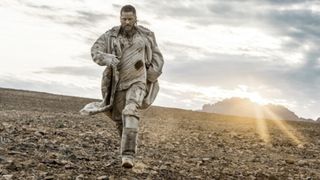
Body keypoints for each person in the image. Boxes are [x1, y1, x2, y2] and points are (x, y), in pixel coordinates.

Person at [90, 4, 164, 168]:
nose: (127, 22)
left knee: (130, 110)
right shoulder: (110, 35)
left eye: (130, 19)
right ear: (120, 18)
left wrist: (150, 76)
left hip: (138, 81)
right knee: (119, 120)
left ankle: (128, 156)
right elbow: (95, 51)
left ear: (136, 18)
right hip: (117, 84)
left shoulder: (146, 35)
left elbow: (158, 58)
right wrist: (108, 58)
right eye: (124, 19)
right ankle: (126, 149)